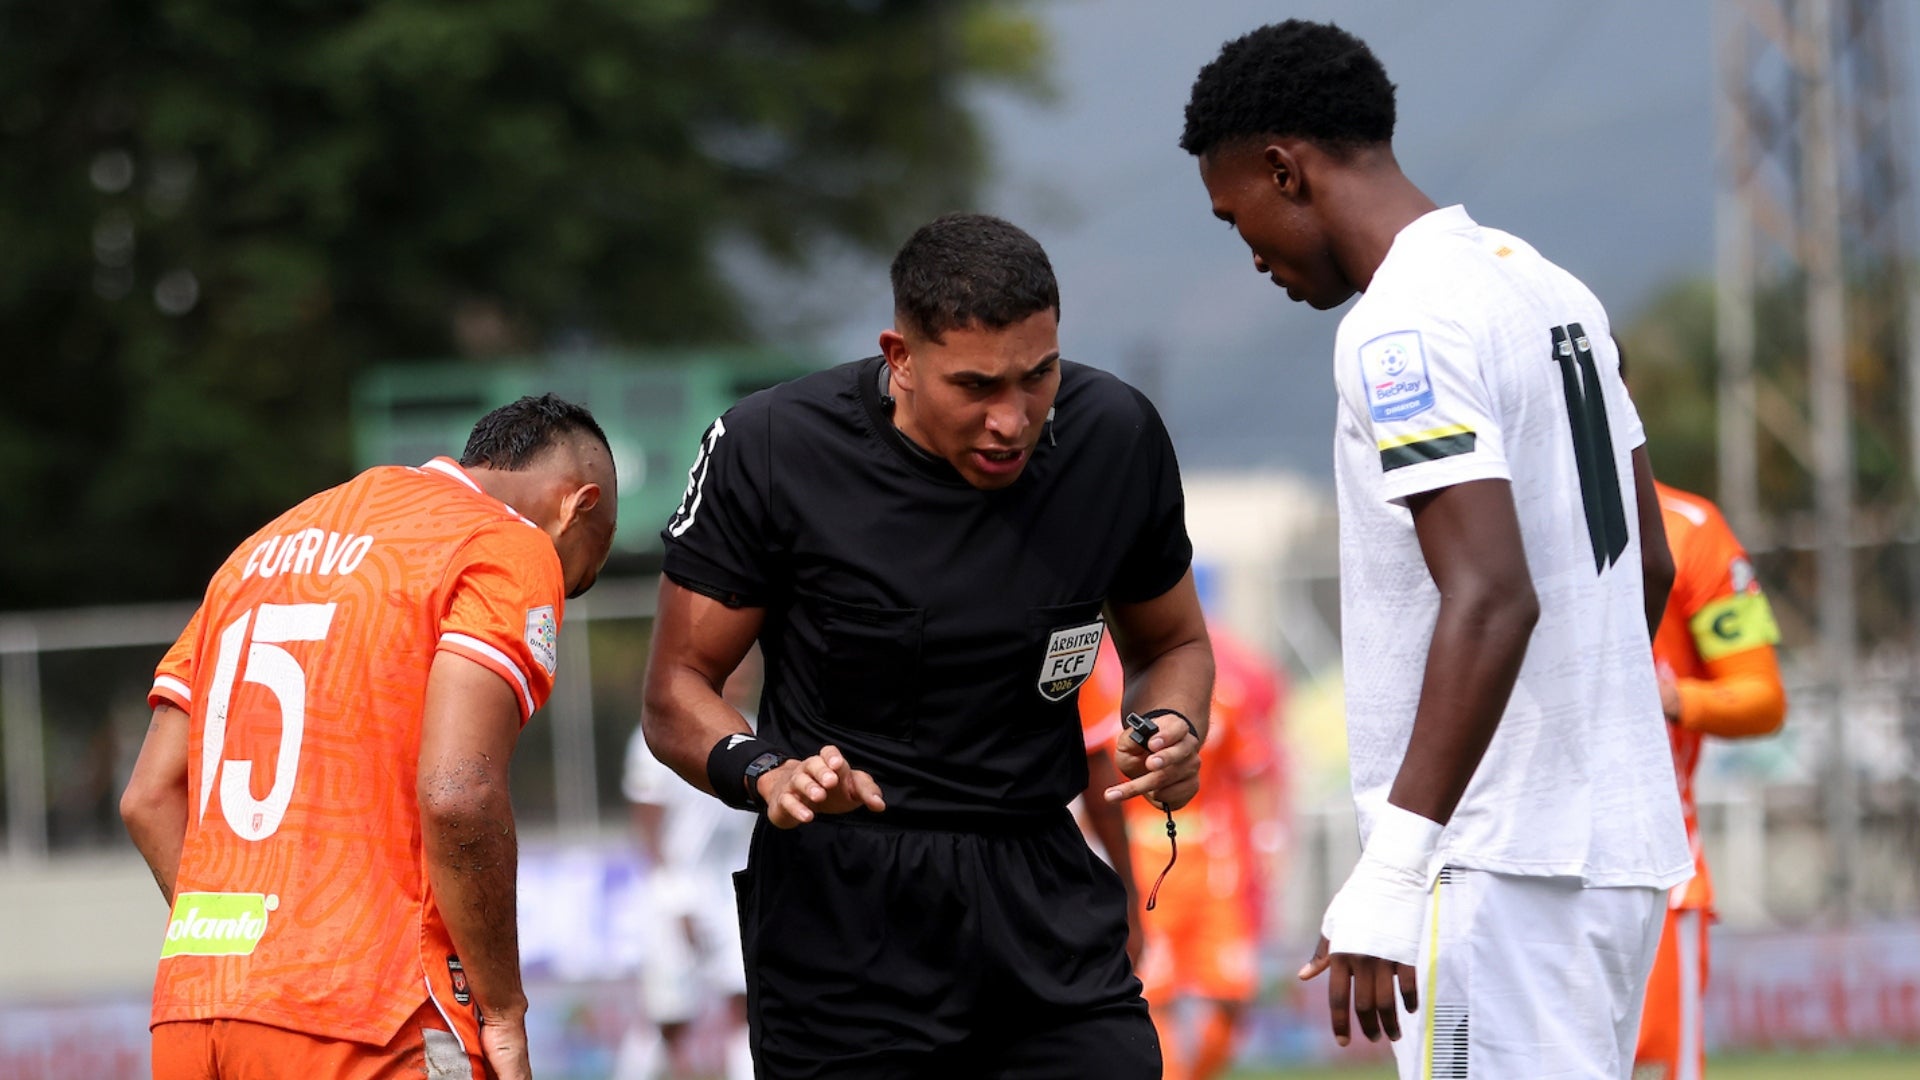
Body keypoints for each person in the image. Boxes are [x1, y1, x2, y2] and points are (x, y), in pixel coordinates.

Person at [1181, 21, 1692, 1078]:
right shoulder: (1552, 288)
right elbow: (1646, 566)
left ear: (1285, 170)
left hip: (1491, 860)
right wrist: (1565, 741)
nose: (1255, 255)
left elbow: (1493, 592)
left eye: (1239, 219)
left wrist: (1397, 865)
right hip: (1617, 846)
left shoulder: (1402, 325)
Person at [640, 212, 1215, 1079]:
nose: (1012, 419)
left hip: (1043, 893)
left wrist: (1172, 725)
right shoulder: (772, 446)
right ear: (900, 357)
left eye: (1038, 375)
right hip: (846, 912)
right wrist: (767, 772)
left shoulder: (1115, 435)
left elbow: (1174, 644)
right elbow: (676, 688)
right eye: (976, 386)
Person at [119, 395, 618, 1080]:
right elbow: (458, 792)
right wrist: (503, 1011)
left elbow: (149, 797)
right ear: (577, 506)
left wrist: (252, 956)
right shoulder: (505, 541)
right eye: (581, 574)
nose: (566, 589)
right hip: (370, 1014)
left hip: (197, 1012)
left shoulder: (257, 551)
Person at [1079, 627, 1284, 1080]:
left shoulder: (1224, 693)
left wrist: (1267, 840)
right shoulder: (1106, 687)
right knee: (1156, 998)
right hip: (1146, 865)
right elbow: (1093, 779)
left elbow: (1252, 769)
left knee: (1234, 994)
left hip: (1213, 868)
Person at [1633, 478, 1787, 1080]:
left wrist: (1672, 699)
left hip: (1656, 877)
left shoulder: (1690, 529)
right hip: (1501, 867)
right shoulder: (1481, 499)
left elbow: (1763, 696)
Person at [614, 654, 761, 1080]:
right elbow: (648, 827)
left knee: (744, 1002)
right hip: (673, 890)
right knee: (669, 1018)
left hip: (730, 891)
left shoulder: (756, 734)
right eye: (736, 672)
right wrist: (674, 896)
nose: (744, 681)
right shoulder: (658, 735)